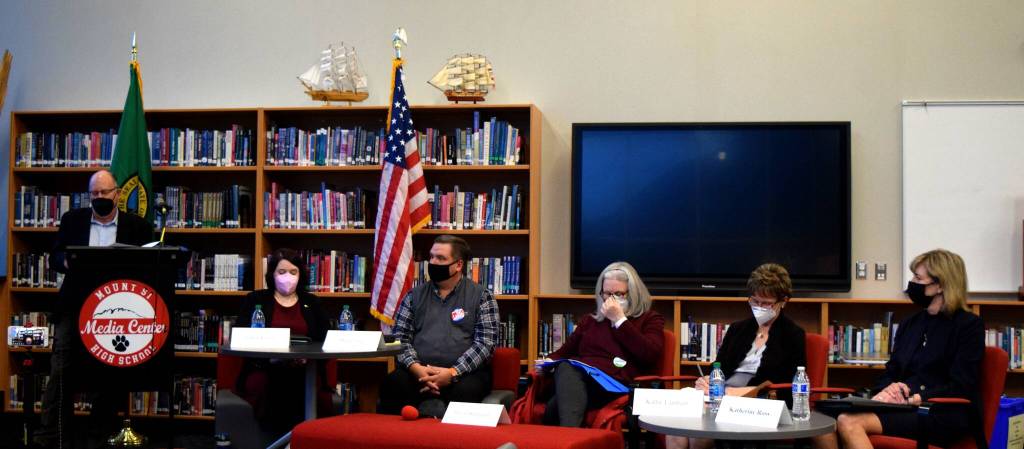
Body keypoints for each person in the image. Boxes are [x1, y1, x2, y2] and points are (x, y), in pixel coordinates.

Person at [813, 249, 984, 449]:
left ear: (941, 285)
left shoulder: (968, 325)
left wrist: (916, 397)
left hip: (941, 412)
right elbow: (892, 370)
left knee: (849, 422)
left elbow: (962, 384)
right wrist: (887, 389)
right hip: (902, 407)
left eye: (918, 278)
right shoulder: (910, 324)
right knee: (820, 420)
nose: (911, 283)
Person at [38, 169, 154, 448]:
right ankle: (51, 435)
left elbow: (148, 262)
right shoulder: (73, 220)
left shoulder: (136, 226)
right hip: (75, 304)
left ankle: (97, 431)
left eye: (105, 192)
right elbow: (55, 255)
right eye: (95, 194)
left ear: (117, 194)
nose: (100, 197)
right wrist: (68, 261)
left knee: (112, 370)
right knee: (61, 367)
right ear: (89, 195)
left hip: (118, 308)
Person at [667, 263, 806, 449]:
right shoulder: (737, 329)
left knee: (698, 431)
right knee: (676, 424)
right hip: (721, 396)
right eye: (754, 301)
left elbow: (788, 386)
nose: (759, 307)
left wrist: (737, 393)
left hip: (759, 402)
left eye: (766, 303)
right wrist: (707, 381)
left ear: (783, 301)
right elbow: (718, 367)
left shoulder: (793, 334)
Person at [378, 235, 499, 417]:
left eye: (441, 258)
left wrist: (452, 373)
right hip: (418, 372)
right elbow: (399, 339)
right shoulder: (413, 295)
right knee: (393, 383)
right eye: (432, 256)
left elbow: (485, 344)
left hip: (463, 374)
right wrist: (417, 369)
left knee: (467, 391)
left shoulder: (482, 297)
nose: (433, 262)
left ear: (458, 265)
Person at [539, 261, 665, 427]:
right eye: (607, 294)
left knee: (554, 408)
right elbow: (564, 352)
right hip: (582, 382)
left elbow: (649, 354)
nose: (611, 300)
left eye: (619, 294)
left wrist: (620, 320)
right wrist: (547, 362)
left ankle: (569, 439)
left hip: (618, 385)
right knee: (565, 368)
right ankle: (572, 439)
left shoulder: (649, 319)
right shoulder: (589, 321)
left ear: (633, 294)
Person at [234, 248, 330, 433]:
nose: (288, 277)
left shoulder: (313, 302)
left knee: (298, 385)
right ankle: (280, 441)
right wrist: (270, 358)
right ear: (272, 274)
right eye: (282, 272)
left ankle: (297, 440)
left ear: (301, 275)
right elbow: (240, 336)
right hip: (264, 370)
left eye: (293, 272)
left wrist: (307, 359)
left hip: (304, 371)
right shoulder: (255, 299)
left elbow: (327, 340)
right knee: (277, 386)